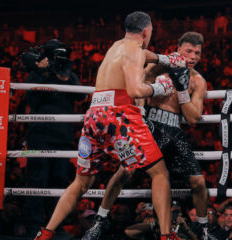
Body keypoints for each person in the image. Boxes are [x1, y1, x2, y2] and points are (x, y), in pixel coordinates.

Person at [34, 11, 186, 240]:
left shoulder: (116, 46)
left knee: (80, 183)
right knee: (159, 173)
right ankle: (167, 236)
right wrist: (159, 89)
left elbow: (144, 53)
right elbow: (135, 91)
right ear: (146, 31)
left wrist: (165, 59)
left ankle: (44, 234)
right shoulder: (134, 51)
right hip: (119, 115)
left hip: (94, 115)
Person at [84, 31, 210, 240]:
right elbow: (138, 86)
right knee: (126, 170)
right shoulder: (158, 67)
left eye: (197, 53)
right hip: (149, 124)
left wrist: (181, 90)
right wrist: (141, 116)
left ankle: (204, 231)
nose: (193, 56)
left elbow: (193, 118)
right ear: (178, 50)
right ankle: (100, 220)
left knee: (198, 182)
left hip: (175, 131)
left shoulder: (198, 81)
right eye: (189, 51)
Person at [24, 39, 86, 238]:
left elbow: (81, 97)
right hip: (39, 136)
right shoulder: (36, 74)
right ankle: (35, 227)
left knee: (59, 182)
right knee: (37, 182)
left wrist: (62, 74)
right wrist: (44, 73)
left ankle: (53, 227)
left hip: (63, 138)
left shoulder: (69, 74)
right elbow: (32, 99)